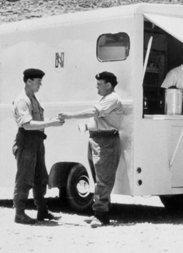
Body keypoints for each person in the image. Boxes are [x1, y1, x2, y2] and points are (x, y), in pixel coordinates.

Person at [58, 71, 124, 228]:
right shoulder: (106, 99)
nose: (97, 87)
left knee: (103, 179)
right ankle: (103, 213)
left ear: (108, 85)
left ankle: (100, 215)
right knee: (99, 178)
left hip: (106, 141)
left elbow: (93, 112)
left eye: (99, 84)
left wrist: (70, 115)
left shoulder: (112, 99)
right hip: (98, 139)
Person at [12, 68, 64, 225]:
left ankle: (42, 210)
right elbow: (27, 125)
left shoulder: (32, 98)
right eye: (38, 82)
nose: (40, 85)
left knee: (40, 177)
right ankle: (19, 214)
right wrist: (51, 123)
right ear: (29, 81)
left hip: (37, 141)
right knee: (25, 178)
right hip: (27, 141)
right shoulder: (23, 100)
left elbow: (36, 119)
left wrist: (51, 120)